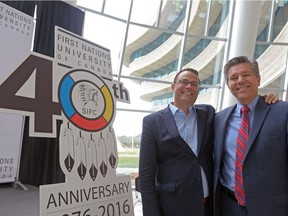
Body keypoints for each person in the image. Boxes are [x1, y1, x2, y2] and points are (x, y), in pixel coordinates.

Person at [213, 56, 288, 216]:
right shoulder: (219, 119)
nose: (240, 80)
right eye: (233, 78)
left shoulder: (282, 112)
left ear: (258, 79)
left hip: (272, 208)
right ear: (228, 86)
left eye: (246, 75)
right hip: (229, 207)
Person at [139, 68, 215, 216]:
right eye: (184, 82)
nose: (189, 87)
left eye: (194, 84)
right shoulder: (153, 122)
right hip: (173, 206)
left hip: (207, 205)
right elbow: (146, 176)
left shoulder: (208, 114)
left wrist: (264, 102)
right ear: (173, 87)